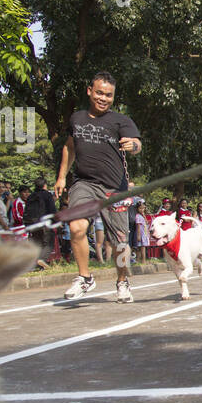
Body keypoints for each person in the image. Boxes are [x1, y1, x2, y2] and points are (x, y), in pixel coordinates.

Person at [55, 71, 142, 301]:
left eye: (109, 95)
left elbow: (137, 145)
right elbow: (69, 147)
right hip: (85, 184)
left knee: (121, 244)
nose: (103, 98)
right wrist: (62, 176)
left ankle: (123, 281)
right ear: (89, 91)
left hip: (115, 189)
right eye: (99, 93)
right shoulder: (77, 118)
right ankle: (85, 277)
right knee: (76, 227)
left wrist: (132, 145)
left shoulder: (120, 120)